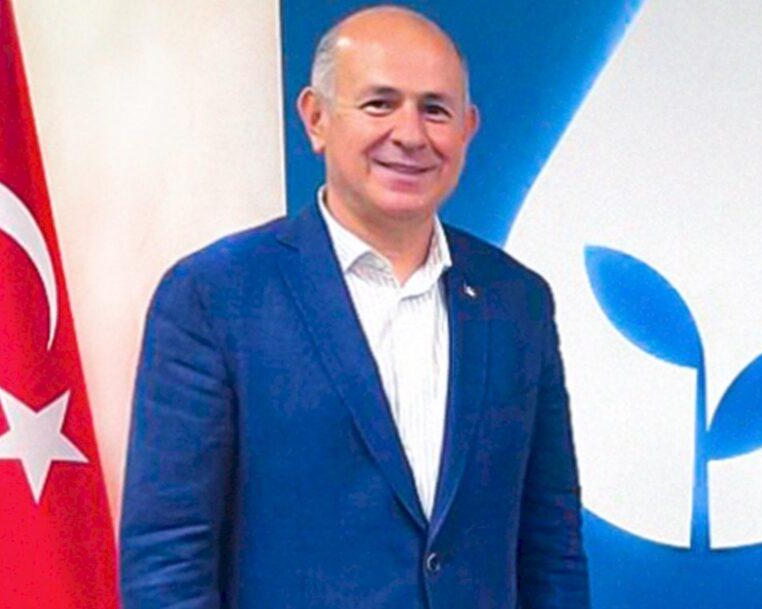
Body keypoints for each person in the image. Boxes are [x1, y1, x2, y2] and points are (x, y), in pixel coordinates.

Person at [120, 5, 589, 609]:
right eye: (379, 104)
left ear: (468, 128)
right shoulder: (215, 295)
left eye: (435, 109)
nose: (410, 134)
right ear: (316, 118)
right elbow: (168, 559)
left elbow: (550, 540)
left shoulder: (516, 301)